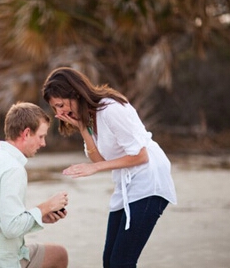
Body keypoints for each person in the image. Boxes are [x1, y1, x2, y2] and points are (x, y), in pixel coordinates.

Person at [42, 67, 177, 268]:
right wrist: (82, 127)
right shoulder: (90, 118)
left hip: (150, 182)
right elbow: (100, 158)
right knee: (109, 262)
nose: (59, 113)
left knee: (121, 262)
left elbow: (141, 156)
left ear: (75, 93)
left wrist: (94, 169)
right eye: (55, 108)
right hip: (127, 186)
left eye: (60, 104)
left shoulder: (110, 109)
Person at [0, 102, 69, 268]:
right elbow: (11, 228)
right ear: (26, 133)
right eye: (41, 136)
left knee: (57, 255)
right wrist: (45, 206)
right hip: (0, 261)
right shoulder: (13, 169)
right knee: (59, 255)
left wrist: (39, 217)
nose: (43, 143)